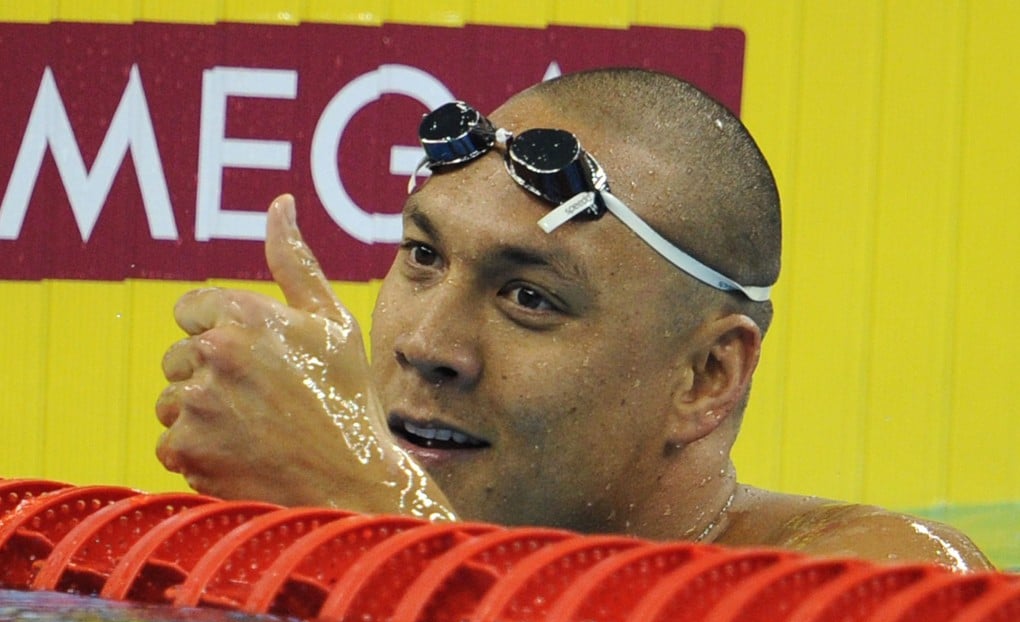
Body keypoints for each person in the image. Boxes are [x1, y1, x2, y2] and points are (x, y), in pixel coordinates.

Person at [155, 68, 992, 571]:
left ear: (706, 379)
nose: (427, 344)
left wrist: (358, 494)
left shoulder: (881, 579)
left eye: (530, 298)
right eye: (423, 257)